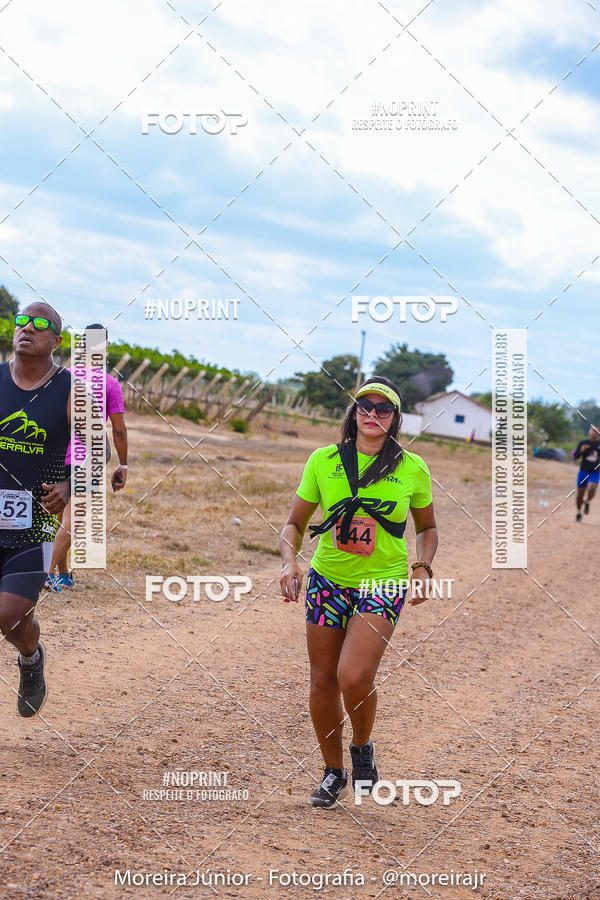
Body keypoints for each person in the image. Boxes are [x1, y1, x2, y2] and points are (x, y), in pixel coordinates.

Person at [279, 376, 438, 808]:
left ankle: (362, 749)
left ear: (395, 418)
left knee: (354, 675)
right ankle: (333, 773)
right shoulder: (323, 460)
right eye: (364, 406)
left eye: (382, 408)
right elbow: (294, 523)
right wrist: (289, 561)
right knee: (322, 681)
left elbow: (427, 528)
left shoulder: (412, 467)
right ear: (353, 413)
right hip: (328, 580)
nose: (372, 414)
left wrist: (422, 566)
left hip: (381, 582)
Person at [0, 303, 73, 716]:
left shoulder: (69, 390)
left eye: (41, 324)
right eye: (22, 322)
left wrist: (69, 484)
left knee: (10, 617)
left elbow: (95, 453)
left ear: (56, 341)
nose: (28, 328)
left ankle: (31, 657)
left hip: (33, 528)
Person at [46, 324, 127, 590]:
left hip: (58, 455)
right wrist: (123, 464)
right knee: (73, 519)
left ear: (81, 347)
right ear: (104, 349)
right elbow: (118, 429)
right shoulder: (111, 384)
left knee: (61, 518)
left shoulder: (63, 376)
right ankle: (45, 574)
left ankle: (64, 572)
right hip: (89, 459)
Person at [573, 425, 600, 522]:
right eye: (593, 430)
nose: (594, 432)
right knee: (580, 494)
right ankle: (579, 512)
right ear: (589, 432)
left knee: (592, 488)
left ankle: (587, 501)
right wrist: (581, 451)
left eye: (596, 431)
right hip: (583, 472)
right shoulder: (583, 443)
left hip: (594, 472)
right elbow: (575, 457)